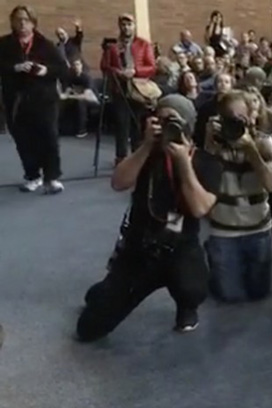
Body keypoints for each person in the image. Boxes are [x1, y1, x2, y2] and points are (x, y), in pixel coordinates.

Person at [76, 95, 222, 342]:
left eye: (172, 121)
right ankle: (102, 293)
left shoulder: (206, 161)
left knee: (194, 288)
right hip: (140, 248)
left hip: (180, 247)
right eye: (160, 119)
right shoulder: (145, 154)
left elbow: (199, 208)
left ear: (187, 124)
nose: (165, 126)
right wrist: (145, 146)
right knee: (88, 329)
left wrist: (183, 164)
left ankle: (187, 306)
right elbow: (118, 182)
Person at [204, 91, 272, 302]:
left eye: (240, 119)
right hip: (223, 230)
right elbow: (203, 181)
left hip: (259, 228)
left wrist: (251, 149)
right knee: (229, 296)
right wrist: (209, 141)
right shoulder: (215, 144)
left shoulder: (263, 143)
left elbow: (271, 185)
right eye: (229, 118)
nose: (234, 124)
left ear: (251, 117)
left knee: (259, 293)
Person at [0, 5, 67, 194]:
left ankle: (52, 177)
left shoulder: (45, 44)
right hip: (16, 101)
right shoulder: (4, 44)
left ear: (33, 23)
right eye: (18, 19)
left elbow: (62, 69)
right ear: (12, 22)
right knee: (24, 140)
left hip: (44, 100)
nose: (22, 23)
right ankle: (32, 175)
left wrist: (45, 70)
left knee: (49, 138)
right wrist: (15, 68)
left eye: (26, 20)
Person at [100, 13, 156, 165]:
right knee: (121, 125)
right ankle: (121, 158)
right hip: (119, 89)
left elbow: (151, 67)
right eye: (123, 25)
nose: (126, 27)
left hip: (138, 89)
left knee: (137, 125)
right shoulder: (112, 47)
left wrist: (135, 71)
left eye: (129, 24)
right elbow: (105, 66)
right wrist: (118, 72)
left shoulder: (144, 44)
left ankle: (137, 158)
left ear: (134, 26)